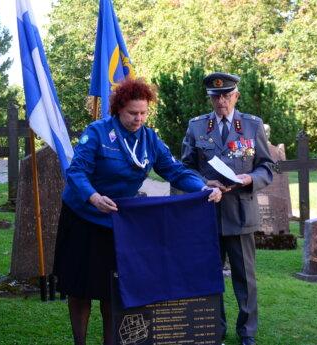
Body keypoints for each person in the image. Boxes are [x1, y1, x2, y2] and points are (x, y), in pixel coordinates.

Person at [53, 78, 222, 345]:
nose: (138, 118)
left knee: (112, 289)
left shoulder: (150, 139)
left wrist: (201, 188)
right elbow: (76, 172)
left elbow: (174, 171)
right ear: (119, 108)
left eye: (143, 113)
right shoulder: (97, 133)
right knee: (80, 288)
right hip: (83, 217)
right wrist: (94, 197)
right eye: (133, 113)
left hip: (118, 222)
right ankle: (80, 342)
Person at [181, 72, 274, 345]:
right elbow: (185, 167)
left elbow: (267, 166)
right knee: (210, 276)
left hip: (241, 212)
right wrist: (202, 182)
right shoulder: (197, 127)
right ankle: (214, 330)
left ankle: (247, 333)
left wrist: (250, 179)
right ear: (210, 98)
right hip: (207, 213)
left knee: (245, 278)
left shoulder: (252, 126)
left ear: (236, 96)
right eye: (216, 96)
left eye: (226, 95)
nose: (221, 101)